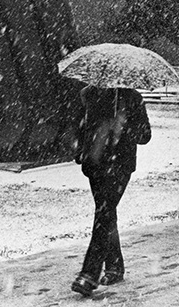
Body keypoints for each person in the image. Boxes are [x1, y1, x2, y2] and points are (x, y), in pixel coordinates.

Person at [71, 85, 151, 297]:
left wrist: (123, 127)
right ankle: (115, 267)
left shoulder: (132, 98)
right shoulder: (88, 94)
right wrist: (80, 150)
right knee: (106, 214)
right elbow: (79, 126)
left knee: (104, 214)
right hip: (95, 164)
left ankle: (89, 274)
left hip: (119, 166)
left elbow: (145, 135)